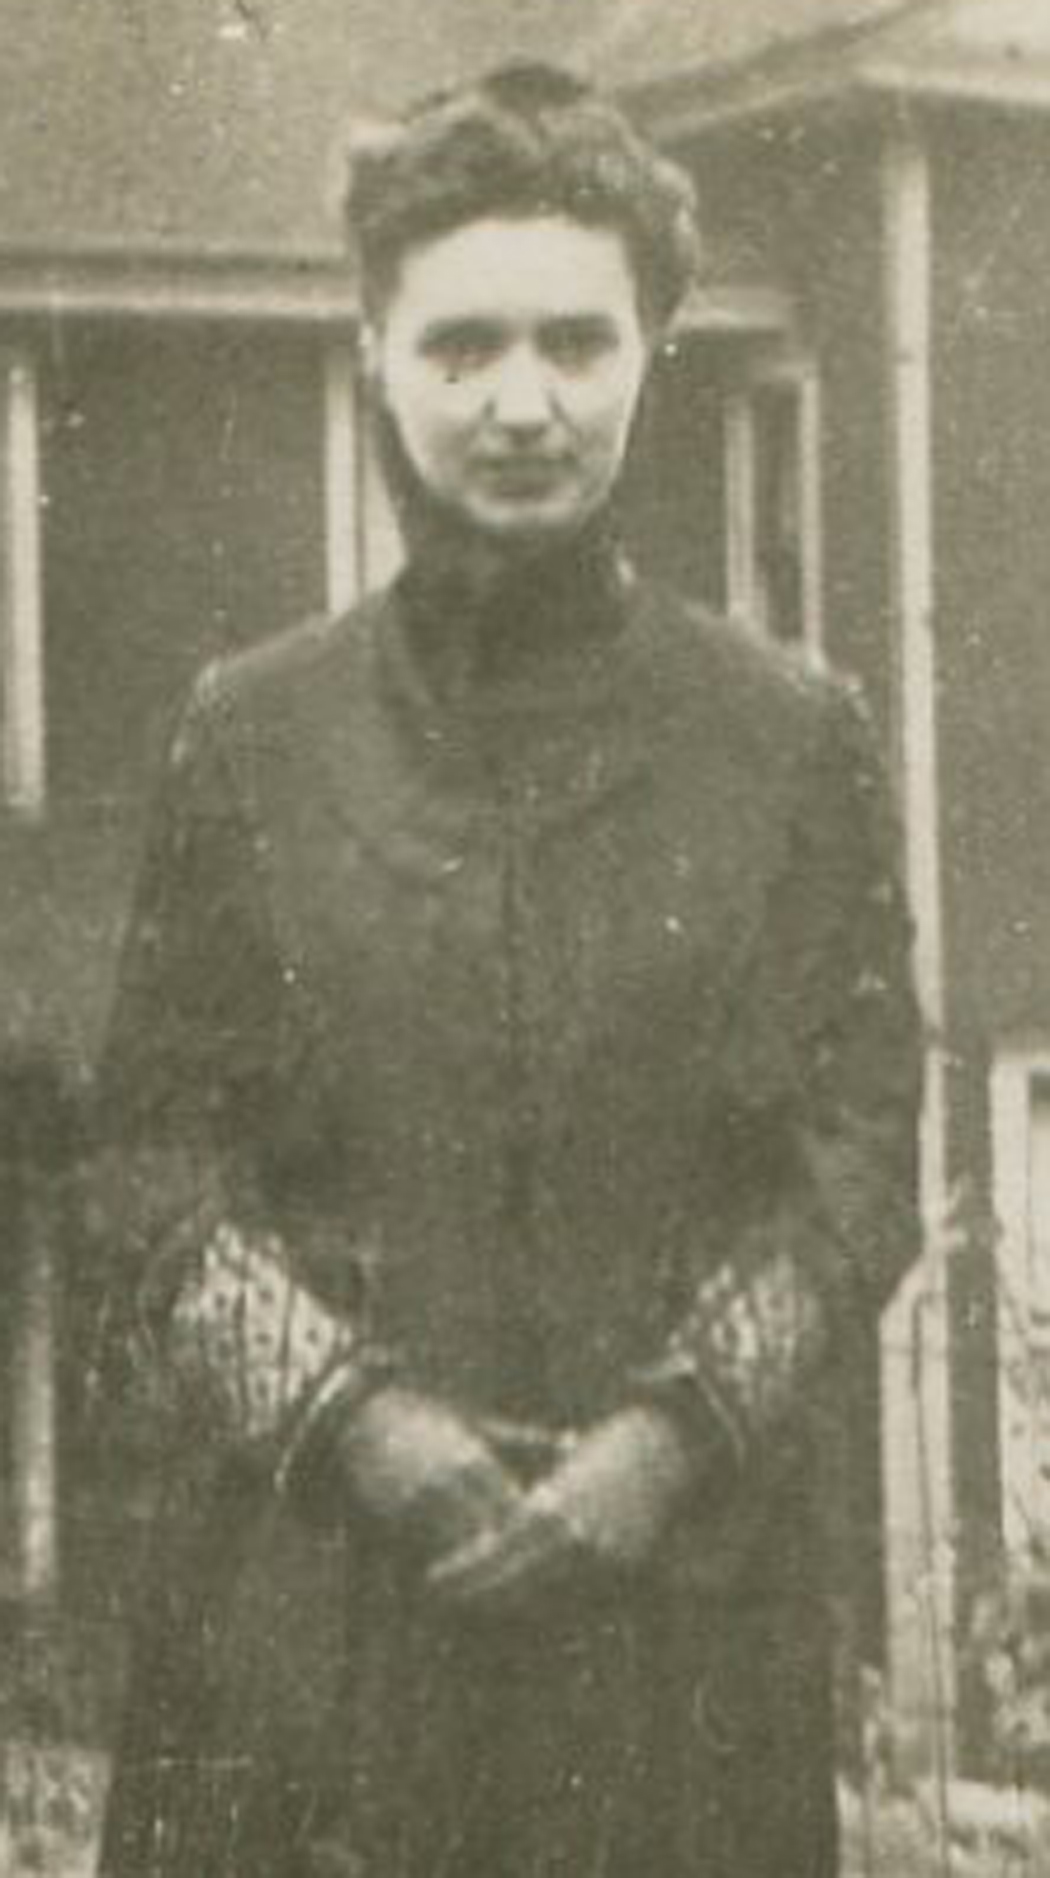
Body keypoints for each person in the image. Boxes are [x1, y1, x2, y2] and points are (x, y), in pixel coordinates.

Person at [95, 62, 921, 1878]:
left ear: (653, 350)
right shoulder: (248, 738)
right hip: (311, 1640)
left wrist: (664, 1444)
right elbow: (145, 1164)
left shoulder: (790, 743)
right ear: (374, 350)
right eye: (462, 344)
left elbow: (859, 1159)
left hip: (670, 1643)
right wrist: (359, 1423)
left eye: (576, 340)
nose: (523, 402)